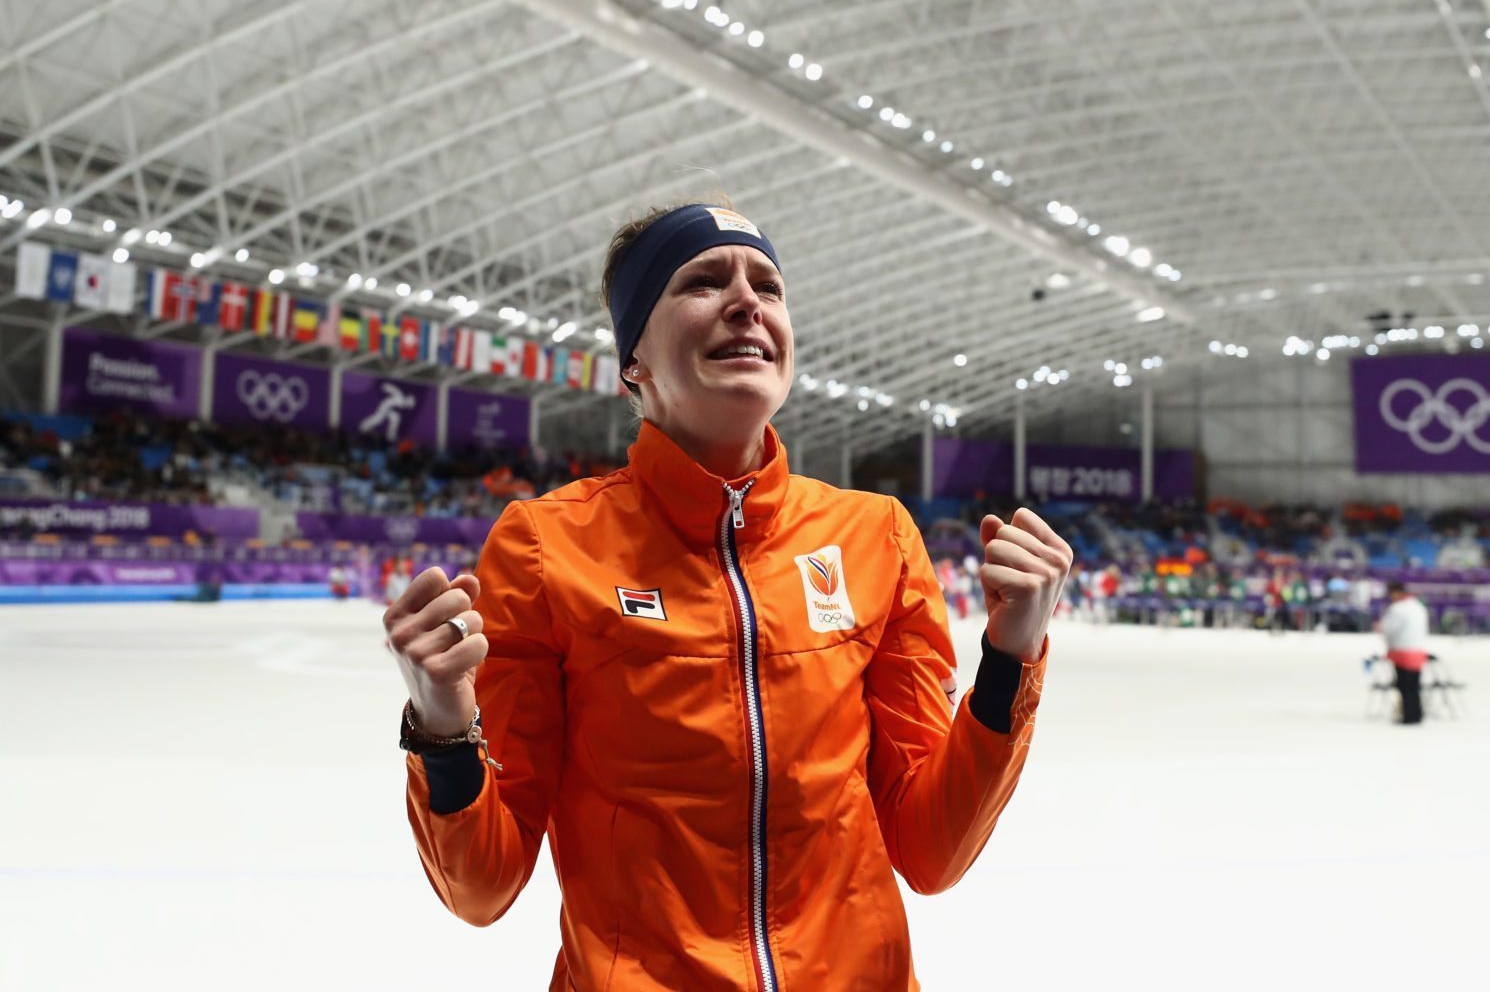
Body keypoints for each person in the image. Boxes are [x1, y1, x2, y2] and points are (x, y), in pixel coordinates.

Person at [381, 201, 1070, 990]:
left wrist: (1011, 658)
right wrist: (443, 725)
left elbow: (931, 849)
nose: (747, 301)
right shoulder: (545, 546)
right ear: (633, 359)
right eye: (703, 281)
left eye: (768, 286)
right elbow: (482, 885)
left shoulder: (876, 536)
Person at [1378, 580, 1429, 724]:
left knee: (1404, 686)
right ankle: (1416, 713)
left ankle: (1408, 715)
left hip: (1402, 650)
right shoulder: (1418, 606)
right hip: (1418, 650)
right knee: (1414, 685)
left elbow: (1389, 629)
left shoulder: (1397, 609)